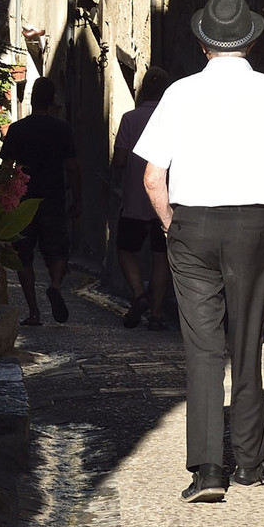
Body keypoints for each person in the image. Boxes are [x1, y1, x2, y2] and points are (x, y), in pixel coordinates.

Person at [136, 0, 264, 503]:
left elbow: (153, 177)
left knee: (202, 349)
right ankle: (252, 460)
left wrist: (175, 226)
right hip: (255, 229)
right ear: (250, 42)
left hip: (192, 225)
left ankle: (207, 471)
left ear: (203, 44)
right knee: (245, 344)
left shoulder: (177, 94)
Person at [1, 75, 81, 326]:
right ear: (52, 100)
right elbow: (72, 167)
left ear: (32, 100)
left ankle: (34, 312)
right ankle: (55, 285)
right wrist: (77, 197)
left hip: (23, 202)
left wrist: (2, 198)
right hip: (53, 197)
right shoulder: (63, 130)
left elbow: (5, 168)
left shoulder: (17, 130)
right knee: (58, 250)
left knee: (23, 257)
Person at [111, 65, 172, 329]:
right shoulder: (175, 119)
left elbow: (120, 160)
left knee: (125, 251)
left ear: (143, 90)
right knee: (161, 258)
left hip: (135, 200)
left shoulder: (130, 119)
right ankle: (156, 315)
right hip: (166, 203)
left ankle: (138, 293)